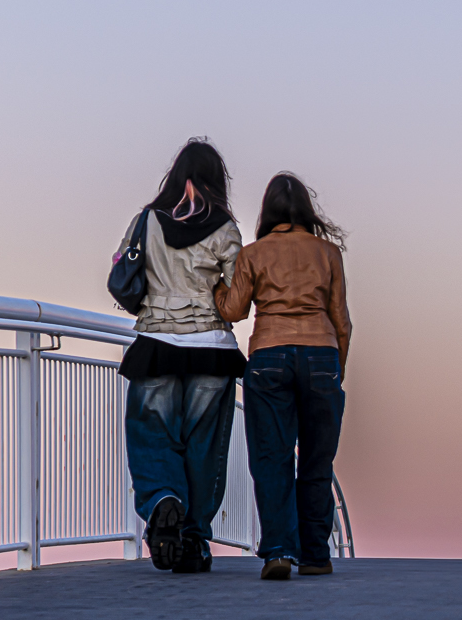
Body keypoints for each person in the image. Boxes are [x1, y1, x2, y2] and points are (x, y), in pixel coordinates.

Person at [116, 139, 246, 574]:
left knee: (152, 435)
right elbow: (237, 295)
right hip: (211, 349)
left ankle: (162, 501)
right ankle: (193, 540)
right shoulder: (225, 227)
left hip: (156, 343)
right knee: (205, 448)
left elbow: (122, 269)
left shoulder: (146, 220)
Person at [216, 172, 351, 581]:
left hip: (270, 355)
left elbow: (235, 310)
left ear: (267, 211)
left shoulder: (255, 254)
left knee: (272, 457)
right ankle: (315, 554)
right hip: (321, 355)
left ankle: (278, 551)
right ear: (307, 213)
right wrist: (335, 369)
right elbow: (341, 320)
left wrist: (215, 289)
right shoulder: (327, 253)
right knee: (317, 459)